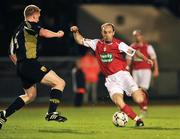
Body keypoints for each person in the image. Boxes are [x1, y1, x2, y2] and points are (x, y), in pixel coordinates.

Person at [70, 23, 153, 126]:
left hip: (123, 76)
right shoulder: (96, 43)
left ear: (113, 33)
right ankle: (137, 120)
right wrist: (75, 32)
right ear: (102, 32)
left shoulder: (119, 44)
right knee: (119, 102)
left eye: (109, 32)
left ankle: (139, 91)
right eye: (105, 32)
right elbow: (79, 40)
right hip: (111, 80)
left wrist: (146, 59)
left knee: (139, 99)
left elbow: (135, 52)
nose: (107, 34)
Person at [0, 5, 67, 129]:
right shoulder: (28, 25)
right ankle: (51, 113)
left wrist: (21, 66)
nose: (38, 19)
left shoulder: (17, 30)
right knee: (60, 83)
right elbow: (44, 33)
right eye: (38, 16)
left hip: (21, 66)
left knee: (30, 96)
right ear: (33, 15)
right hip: (30, 64)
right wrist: (58, 34)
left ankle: (3, 115)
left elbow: (10, 53)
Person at [126, 30, 159, 118]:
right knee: (136, 91)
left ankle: (144, 109)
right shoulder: (132, 46)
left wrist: (156, 69)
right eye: (135, 35)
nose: (137, 37)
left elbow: (154, 58)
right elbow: (129, 59)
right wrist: (127, 68)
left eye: (138, 35)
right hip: (136, 70)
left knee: (143, 90)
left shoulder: (148, 46)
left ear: (141, 36)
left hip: (146, 70)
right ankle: (143, 108)